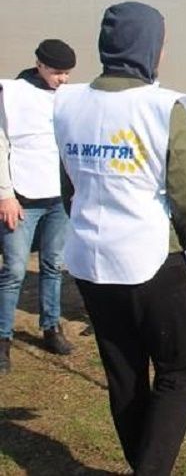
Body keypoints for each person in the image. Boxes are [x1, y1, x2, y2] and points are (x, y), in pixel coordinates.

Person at [53, 1, 186, 476]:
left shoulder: (68, 101)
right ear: (149, 45)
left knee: (125, 372)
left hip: (89, 259)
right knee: (182, 369)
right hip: (151, 261)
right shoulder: (163, 107)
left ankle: (143, 462)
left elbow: (69, 183)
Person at [0, 39, 77, 374]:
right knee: (14, 270)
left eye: (67, 73)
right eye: (58, 72)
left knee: (52, 265)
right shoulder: (12, 94)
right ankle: (2, 338)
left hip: (57, 198)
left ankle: (51, 326)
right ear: (40, 65)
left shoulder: (66, 98)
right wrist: (5, 194)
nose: (63, 79)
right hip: (22, 199)